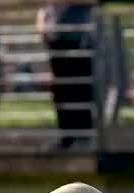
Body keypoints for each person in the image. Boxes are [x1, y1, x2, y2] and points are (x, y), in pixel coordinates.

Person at [37, 3, 97, 149]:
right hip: (57, 39)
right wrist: (43, 23)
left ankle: (83, 137)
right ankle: (67, 137)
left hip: (76, 37)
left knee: (79, 88)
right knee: (61, 91)